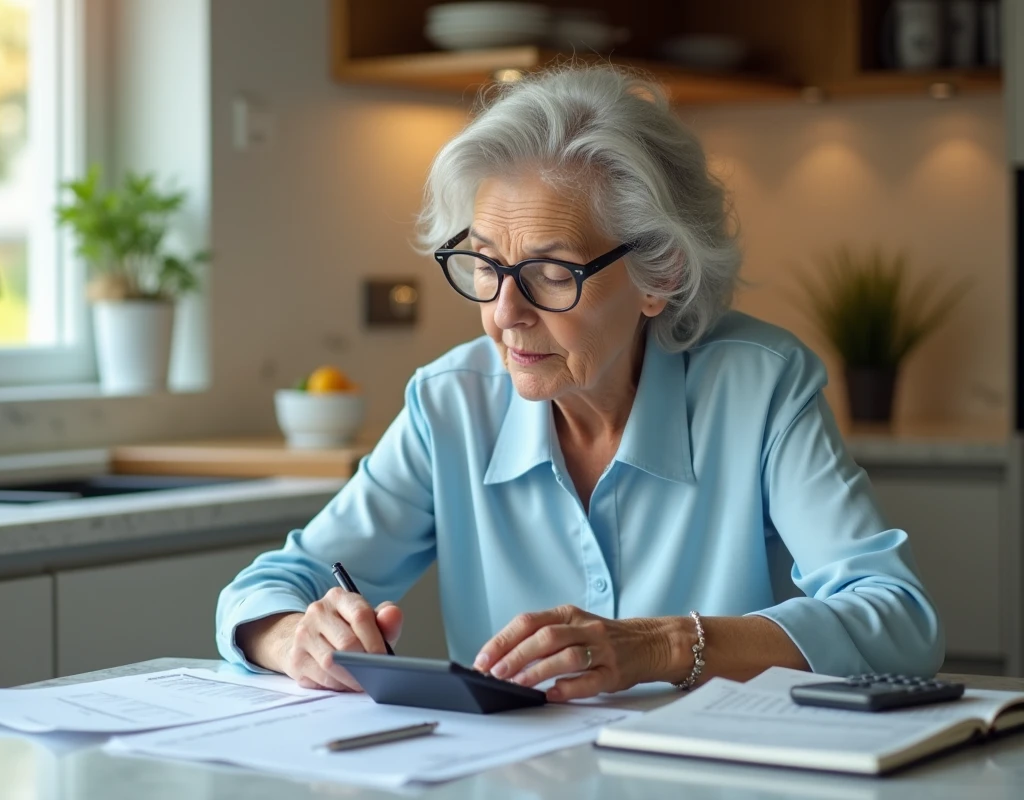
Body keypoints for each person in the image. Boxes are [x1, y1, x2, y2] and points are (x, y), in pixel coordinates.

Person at [216, 65, 943, 701]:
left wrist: (661, 647)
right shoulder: (451, 404)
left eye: (550, 273)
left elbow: (898, 619)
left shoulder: (759, 388)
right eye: (486, 265)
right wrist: (290, 638)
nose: (505, 314)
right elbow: (276, 582)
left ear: (661, 274)